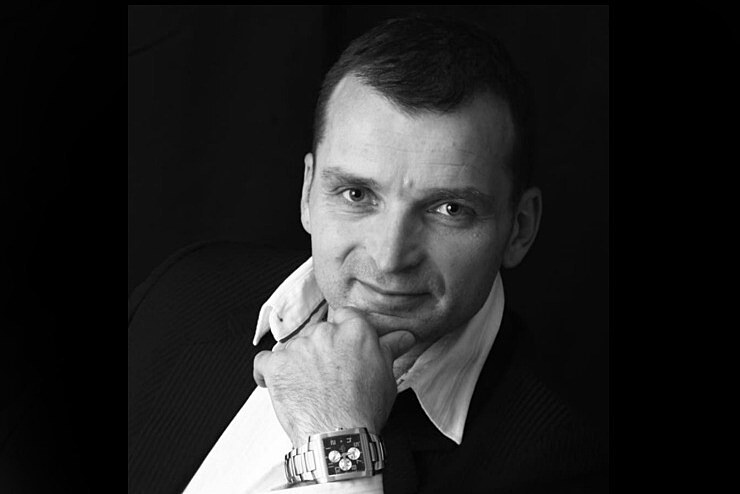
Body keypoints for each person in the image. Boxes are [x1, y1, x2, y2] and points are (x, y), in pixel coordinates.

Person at [127, 15, 608, 493]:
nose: (389, 258)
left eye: (449, 209)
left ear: (519, 229)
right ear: (308, 193)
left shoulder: (564, 462)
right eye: (357, 194)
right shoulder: (182, 292)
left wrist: (335, 437)